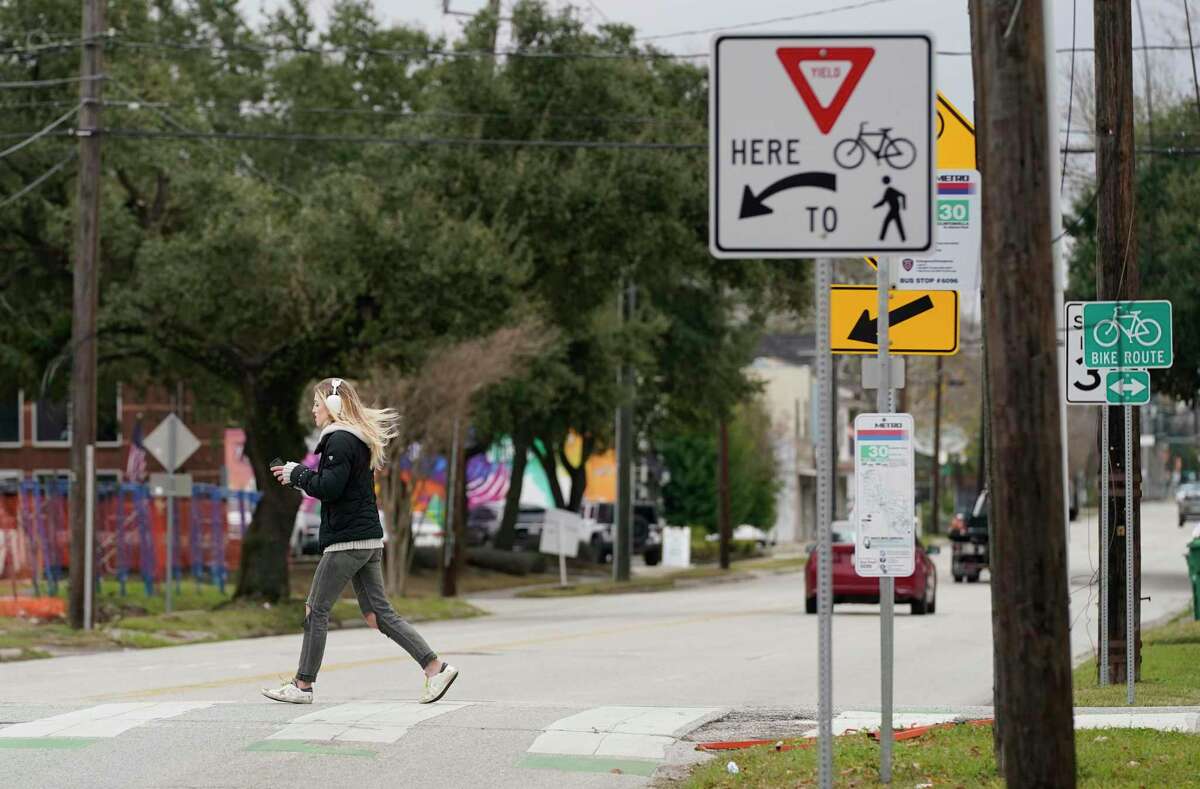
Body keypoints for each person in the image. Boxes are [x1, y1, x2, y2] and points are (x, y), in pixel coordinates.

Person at [261, 377, 459, 705]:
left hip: (347, 541)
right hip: (366, 539)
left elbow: (330, 487)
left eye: (317, 403)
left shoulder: (339, 440)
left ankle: (302, 685)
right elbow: (336, 486)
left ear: (334, 406)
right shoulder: (354, 439)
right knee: (377, 615)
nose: (312, 410)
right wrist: (298, 477)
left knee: (316, 609)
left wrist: (298, 475)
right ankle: (435, 668)